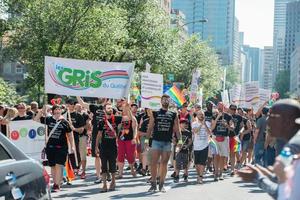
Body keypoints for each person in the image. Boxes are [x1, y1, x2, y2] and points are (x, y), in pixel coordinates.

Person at [238, 99, 300, 199]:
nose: (268, 121)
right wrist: (260, 172)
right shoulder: (288, 145)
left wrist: (257, 178)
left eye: (274, 116)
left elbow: (284, 194)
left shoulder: (296, 147)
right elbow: (281, 180)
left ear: (288, 121)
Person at [34, 104, 75, 192]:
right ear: (52, 111)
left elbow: (70, 134)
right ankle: (57, 182)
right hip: (50, 146)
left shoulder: (65, 121)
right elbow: (35, 119)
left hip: (62, 147)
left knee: (59, 165)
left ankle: (56, 185)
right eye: (55, 109)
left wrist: (72, 146)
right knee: (52, 166)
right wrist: (43, 109)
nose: (57, 111)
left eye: (58, 109)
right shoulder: (48, 119)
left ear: (61, 111)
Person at [146, 94, 182, 192]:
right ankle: (153, 184)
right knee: (154, 163)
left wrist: (180, 141)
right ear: (161, 101)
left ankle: (161, 185)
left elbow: (177, 129)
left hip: (167, 142)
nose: (166, 101)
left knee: (164, 163)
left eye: (167, 99)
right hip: (156, 141)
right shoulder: (155, 113)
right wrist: (146, 140)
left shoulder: (174, 114)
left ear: (169, 101)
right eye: (164, 99)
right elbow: (150, 127)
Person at [76, 96, 106, 183]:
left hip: (107, 135)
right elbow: (82, 103)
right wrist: (77, 94)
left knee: (106, 156)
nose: (103, 97)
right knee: (97, 156)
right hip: (96, 134)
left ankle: (106, 173)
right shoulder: (94, 107)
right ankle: (98, 175)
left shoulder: (110, 108)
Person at [95, 103, 123, 193]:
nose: (110, 109)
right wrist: (96, 146)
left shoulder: (117, 119)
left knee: (112, 165)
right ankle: (104, 185)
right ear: (104, 110)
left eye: (111, 108)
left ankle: (113, 182)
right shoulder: (101, 122)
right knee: (104, 166)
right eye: (108, 108)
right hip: (103, 146)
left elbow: (127, 118)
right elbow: (99, 135)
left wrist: (124, 107)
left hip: (113, 146)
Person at [211, 102, 234, 181]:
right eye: (219, 106)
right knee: (216, 156)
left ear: (224, 107)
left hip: (224, 138)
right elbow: (212, 128)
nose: (220, 108)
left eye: (221, 106)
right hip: (215, 137)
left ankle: (221, 173)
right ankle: (216, 173)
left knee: (222, 156)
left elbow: (232, 127)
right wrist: (217, 117)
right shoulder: (214, 115)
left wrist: (226, 125)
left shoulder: (228, 116)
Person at [66, 99, 85, 175]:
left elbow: (82, 130)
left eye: (70, 104)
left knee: (75, 152)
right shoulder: (64, 115)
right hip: (64, 137)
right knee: (66, 153)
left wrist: (74, 129)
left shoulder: (79, 115)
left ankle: (76, 167)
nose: (68, 105)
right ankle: (67, 169)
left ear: (73, 105)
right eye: (67, 104)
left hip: (74, 137)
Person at [117, 112, 138, 179]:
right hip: (121, 140)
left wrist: (134, 138)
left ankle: (132, 170)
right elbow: (117, 130)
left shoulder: (132, 119)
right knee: (120, 156)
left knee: (130, 156)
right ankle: (120, 173)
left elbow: (135, 129)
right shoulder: (120, 118)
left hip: (130, 140)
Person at [192, 110, 211, 184]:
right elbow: (195, 131)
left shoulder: (208, 123)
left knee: (202, 162)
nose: (201, 116)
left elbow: (209, 132)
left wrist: (205, 124)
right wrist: (201, 125)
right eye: (200, 114)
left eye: (202, 114)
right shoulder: (194, 123)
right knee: (197, 163)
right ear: (197, 116)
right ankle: (198, 174)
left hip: (205, 145)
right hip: (196, 146)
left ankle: (200, 176)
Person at [173, 118, 192, 183]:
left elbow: (190, 141)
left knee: (185, 164)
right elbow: (174, 140)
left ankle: (186, 176)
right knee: (177, 164)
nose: (185, 125)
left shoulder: (188, 132)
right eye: (183, 123)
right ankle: (177, 176)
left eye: (186, 123)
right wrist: (177, 145)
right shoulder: (177, 132)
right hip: (178, 150)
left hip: (185, 150)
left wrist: (187, 146)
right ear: (180, 124)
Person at [228, 104, 243, 175]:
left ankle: (232, 169)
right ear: (229, 109)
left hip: (235, 137)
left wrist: (241, 131)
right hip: (227, 137)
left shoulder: (239, 117)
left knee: (233, 153)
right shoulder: (226, 116)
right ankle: (236, 164)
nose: (233, 111)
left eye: (235, 109)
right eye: (232, 109)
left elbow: (242, 126)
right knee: (231, 153)